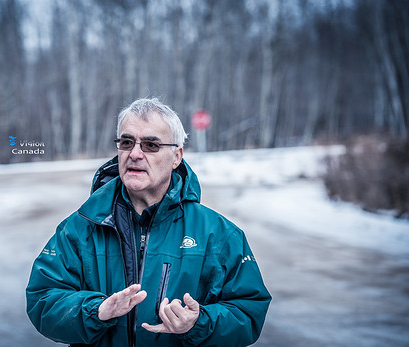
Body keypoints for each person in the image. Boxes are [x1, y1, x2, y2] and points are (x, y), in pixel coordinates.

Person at [26, 98, 271, 347]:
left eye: (151, 145)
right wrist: (96, 310)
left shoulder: (219, 234)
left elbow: (249, 313)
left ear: (176, 156)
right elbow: (42, 300)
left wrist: (198, 322)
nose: (134, 153)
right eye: (127, 142)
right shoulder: (80, 229)